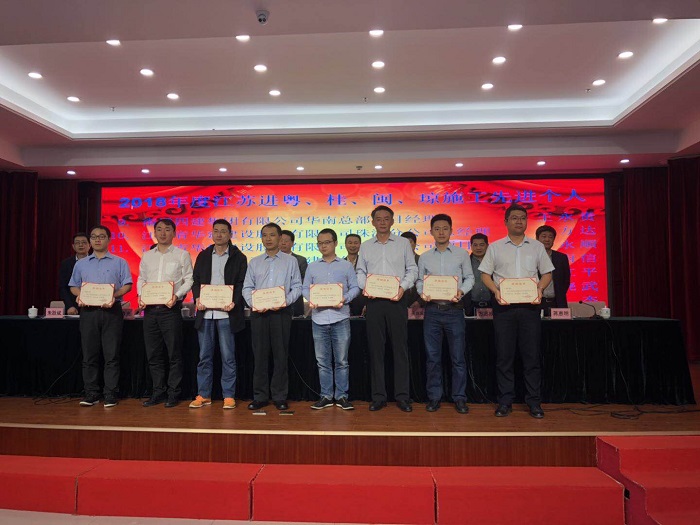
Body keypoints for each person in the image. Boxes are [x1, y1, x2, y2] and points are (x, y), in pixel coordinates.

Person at [479, 204, 554, 419]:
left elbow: (547, 273)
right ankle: (505, 402)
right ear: (506, 222)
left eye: (522, 218)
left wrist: (539, 289)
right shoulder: (495, 247)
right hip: (504, 309)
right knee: (504, 357)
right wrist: (496, 291)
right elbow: (485, 274)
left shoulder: (537, 247)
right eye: (514, 218)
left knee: (531, 357)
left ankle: (534, 402)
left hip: (530, 308)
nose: (519, 221)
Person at [356, 205, 418, 412]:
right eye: (378, 219)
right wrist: (366, 287)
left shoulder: (402, 244)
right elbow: (360, 271)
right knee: (376, 350)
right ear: (372, 222)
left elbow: (412, 269)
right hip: (374, 302)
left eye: (386, 218)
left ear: (392, 221)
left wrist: (402, 288)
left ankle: (402, 396)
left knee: (400, 349)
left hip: (396, 301)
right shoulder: (366, 246)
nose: (382, 222)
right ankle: (378, 396)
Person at [69, 225, 132, 407]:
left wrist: (114, 295)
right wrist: (79, 295)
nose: (97, 240)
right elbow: (73, 286)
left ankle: (110, 394)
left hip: (111, 311)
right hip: (88, 312)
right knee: (89, 355)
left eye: (101, 236)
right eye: (94, 237)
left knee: (111, 355)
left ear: (109, 240)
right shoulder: (81, 264)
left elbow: (127, 284)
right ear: (90, 241)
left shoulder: (120, 262)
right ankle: (91, 394)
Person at [417, 214, 474, 414]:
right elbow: (419, 281)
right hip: (432, 311)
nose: (441, 232)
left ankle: (459, 397)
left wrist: (461, 291)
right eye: (437, 229)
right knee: (433, 358)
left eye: (445, 228)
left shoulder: (461, 254)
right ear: (431, 232)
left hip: (454, 311)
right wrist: (422, 293)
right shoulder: (424, 257)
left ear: (451, 230)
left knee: (458, 357)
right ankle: (434, 397)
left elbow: (470, 278)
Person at [243, 223, 302, 411]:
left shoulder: (290, 261)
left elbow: (297, 286)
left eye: (272, 235)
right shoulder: (254, 262)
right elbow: (247, 287)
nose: (268, 239)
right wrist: (254, 303)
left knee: (280, 355)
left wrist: (285, 301)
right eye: (264, 235)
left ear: (279, 237)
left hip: (281, 313)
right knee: (259, 356)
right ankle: (260, 396)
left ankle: (279, 396)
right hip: (259, 314)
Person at [189, 219, 247, 409]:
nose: (219, 234)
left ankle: (228, 395)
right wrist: (197, 298)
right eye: (216, 231)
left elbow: (241, 283)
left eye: (223, 231)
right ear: (212, 233)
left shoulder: (239, 257)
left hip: (227, 314)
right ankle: (203, 394)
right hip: (205, 314)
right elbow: (196, 281)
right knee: (204, 357)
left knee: (228, 357)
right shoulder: (204, 255)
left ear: (230, 234)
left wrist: (234, 301)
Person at [137, 218, 193, 408]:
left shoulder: (182, 255)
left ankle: (173, 393)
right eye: (159, 229)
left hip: (170, 310)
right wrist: (141, 295)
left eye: (167, 229)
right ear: (154, 233)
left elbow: (189, 280)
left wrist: (177, 295)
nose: (163, 233)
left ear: (174, 233)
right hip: (150, 311)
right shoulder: (147, 256)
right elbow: (142, 279)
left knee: (174, 354)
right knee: (154, 354)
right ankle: (157, 392)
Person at [303, 228, 360, 410]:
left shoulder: (346, 266)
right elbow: (305, 288)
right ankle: (326, 396)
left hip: (340, 317)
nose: (323, 246)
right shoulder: (312, 266)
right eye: (320, 243)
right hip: (319, 319)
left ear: (335, 243)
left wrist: (345, 298)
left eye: (327, 242)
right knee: (322, 362)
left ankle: (342, 396)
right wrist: (311, 299)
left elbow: (355, 287)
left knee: (342, 361)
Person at [535, 225, 571, 315]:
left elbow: (566, 281)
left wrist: (559, 294)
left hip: (558, 303)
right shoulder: (531, 257)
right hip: (536, 303)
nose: (547, 239)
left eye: (550, 237)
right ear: (537, 239)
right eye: (544, 236)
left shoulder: (561, 258)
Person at [59, 233, 90, 314]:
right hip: (73, 306)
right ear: (73, 246)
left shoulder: (95, 262)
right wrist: (69, 306)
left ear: (89, 245)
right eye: (77, 243)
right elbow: (63, 287)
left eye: (84, 242)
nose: (81, 245)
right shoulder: (66, 264)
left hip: (92, 306)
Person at [280, 230, 308, 317]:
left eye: (286, 241)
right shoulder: (271, 260)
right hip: (276, 302)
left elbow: (305, 280)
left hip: (295, 303)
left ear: (292, 243)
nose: (283, 243)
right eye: (281, 240)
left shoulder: (300, 260)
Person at [466, 233, 493, 313]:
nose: (478, 248)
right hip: (470, 306)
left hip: (493, 305)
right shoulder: (466, 262)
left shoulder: (494, 262)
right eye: (475, 245)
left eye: (481, 245)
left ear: (487, 246)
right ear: (471, 246)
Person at [344, 233, 366, 316]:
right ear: (345, 245)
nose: (353, 245)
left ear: (360, 245)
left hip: (361, 302)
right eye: (350, 243)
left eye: (355, 243)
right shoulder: (339, 264)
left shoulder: (365, 263)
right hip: (344, 303)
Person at [401, 231, 422, 309]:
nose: (407, 245)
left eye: (410, 242)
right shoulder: (395, 261)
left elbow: (426, 282)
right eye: (404, 243)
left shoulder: (421, 260)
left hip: (418, 302)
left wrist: (420, 301)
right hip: (399, 301)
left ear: (415, 244)